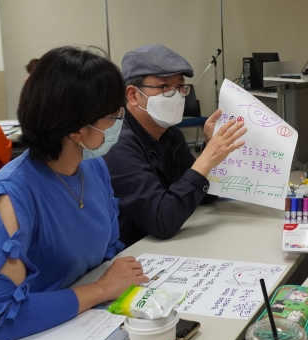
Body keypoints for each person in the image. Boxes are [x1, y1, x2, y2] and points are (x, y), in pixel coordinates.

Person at [0, 47, 148, 340]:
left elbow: (107, 253)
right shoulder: (13, 194)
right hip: (43, 339)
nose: (119, 122)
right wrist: (102, 290)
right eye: (112, 117)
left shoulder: (92, 167)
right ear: (77, 131)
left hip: (89, 323)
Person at [104, 44, 246, 246]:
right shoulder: (119, 144)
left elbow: (204, 196)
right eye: (164, 87)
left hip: (170, 245)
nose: (177, 95)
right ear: (133, 95)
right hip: (134, 251)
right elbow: (161, 221)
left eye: (180, 87)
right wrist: (205, 160)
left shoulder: (171, 134)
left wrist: (210, 148)